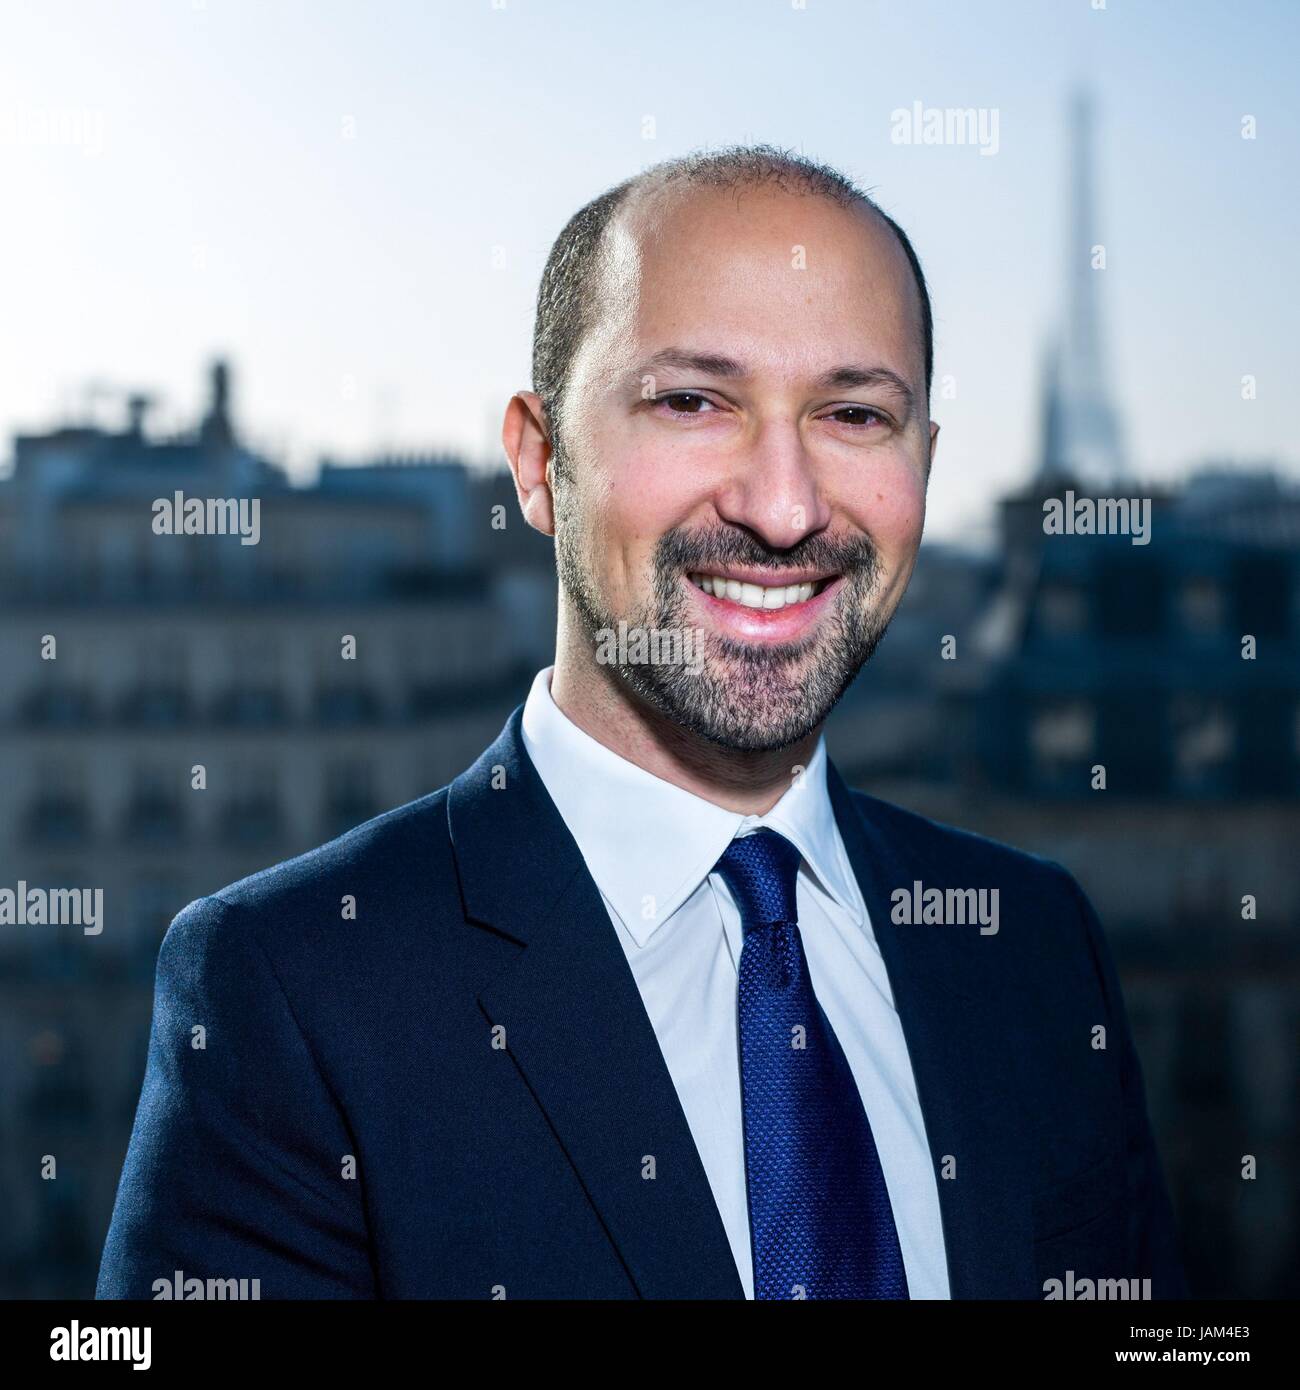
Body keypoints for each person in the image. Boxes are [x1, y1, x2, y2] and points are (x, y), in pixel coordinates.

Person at [97, 145, 1186, 1300]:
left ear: (923, 463)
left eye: (855, 413)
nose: (782, 506)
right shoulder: (289, 992)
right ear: (538, 463)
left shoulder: (1032, 944)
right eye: (691, 400)